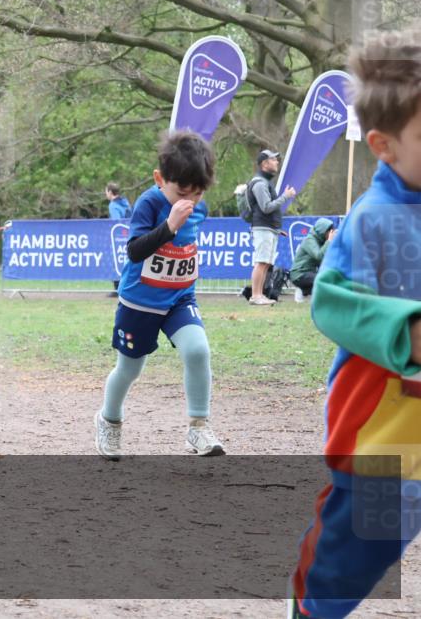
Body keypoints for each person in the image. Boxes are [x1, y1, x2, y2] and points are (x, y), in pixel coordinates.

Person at [288, 30, 421, 619]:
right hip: (384, 442)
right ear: (384, 145)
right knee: (345, 572)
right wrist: (407, 330)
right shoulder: (375, 219)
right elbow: (331, 301)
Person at [94, 130, 224, 460]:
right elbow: (135, 251)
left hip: (180, 298)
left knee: (197, 351)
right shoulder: (149, 203)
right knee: (129, 369)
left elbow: (186, 243)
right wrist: (169, 226)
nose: (190, 201)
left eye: (197, 193)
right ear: (159, 179)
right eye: (182, 192)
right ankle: (109, 419)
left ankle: (198, 426)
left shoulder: (199, 207)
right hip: (140, 303)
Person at [247, 148, 296, 305]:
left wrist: (276, 229)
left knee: (266, 263)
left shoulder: (265, 182)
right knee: (261, 262)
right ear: (264, 164)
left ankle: (259, 295)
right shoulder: (260, 184)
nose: (277, 162)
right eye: (273, 159)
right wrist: (285, 197)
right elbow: (266, 207)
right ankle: (255, 296)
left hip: (268, 229)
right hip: (262, 229)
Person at [288, 218, 335, 303]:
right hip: (299, 274)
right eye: (330, 232)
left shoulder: (321, 240)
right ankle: (302, 289)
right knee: (323, 280)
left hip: (309, 273)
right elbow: (319, 256)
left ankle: (304, 290)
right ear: (323, 231)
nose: (331, 234)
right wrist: (329, 241)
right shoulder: (310, 240)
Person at [105, 181, 132, 296]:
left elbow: (116, 222)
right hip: (129, 235)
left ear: (110, 192)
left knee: (114, 261)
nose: (105, 194)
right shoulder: (125, 202)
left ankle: (117, 289)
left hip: (118, 237)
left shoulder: (113, 205)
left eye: (106, 191)